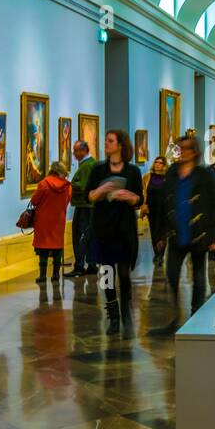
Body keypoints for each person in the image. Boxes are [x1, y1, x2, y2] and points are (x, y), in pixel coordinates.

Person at [161, 135, 215, 315]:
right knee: (172, 274)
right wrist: (162, 233)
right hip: (177, 233)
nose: (181, 152)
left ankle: (195, 312)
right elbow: (165, 202)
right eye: (179, 149)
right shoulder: (172, 172)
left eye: (185, 149)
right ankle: (174, 312)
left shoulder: (204, 175)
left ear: (194, 152)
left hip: (198, 234)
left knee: (198, 278)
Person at [87, 129, 143, 334]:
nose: (106, 144)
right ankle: (113, 316)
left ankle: (126, 310)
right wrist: (100, 192)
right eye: (106, 140)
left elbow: (139, 200)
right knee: (107, 275)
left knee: (124, 274)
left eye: (110, 141)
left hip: (124, 230)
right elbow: (89, 196)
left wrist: (130, 198)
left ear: (120, 145)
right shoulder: (98, 170)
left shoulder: (133, 172)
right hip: (103, 230)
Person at [30, 160, 71, 283]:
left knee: (43, 248)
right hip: (59, 220)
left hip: (43, 221)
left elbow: (34, 201)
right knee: (57, 247)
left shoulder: (43, 184)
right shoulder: (67, 186)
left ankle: (42, 276)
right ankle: (55, 275)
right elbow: (67, 201)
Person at [65, 140, 97, 276]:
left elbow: (84, 186)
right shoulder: (89, 164)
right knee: (88, 235)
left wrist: (69, 184)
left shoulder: (86, 166)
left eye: (75, 151)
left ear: (83, 151)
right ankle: (91, 264)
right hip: (88, 205)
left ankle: (79, 265)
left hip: (84, 205)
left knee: (80, 235)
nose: (74, 154)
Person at [142, 156, 169, 266]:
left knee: (162, 233)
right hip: (151, 208)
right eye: (156, 162)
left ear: (164, 165)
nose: (158, 164)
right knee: (154, 232)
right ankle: (156, 253)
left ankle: (160, 255)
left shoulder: (167, 177)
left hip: (164, 208)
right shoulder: (147, 177)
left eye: (161, 163)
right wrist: (144, 205)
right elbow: (144, 193)